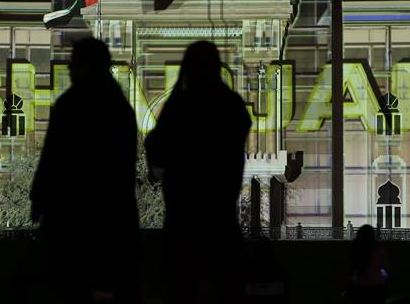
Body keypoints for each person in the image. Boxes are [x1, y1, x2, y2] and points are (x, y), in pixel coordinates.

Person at [30, 37, 140, 303]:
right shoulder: (121, 108)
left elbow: (53, 158)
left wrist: (39, 198)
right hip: (113, 215)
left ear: (86, 65)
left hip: (72, 218)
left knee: (72, 286)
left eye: (74, 62)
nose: (69, 68)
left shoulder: (71, 105)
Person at [145, 40, 252, 304]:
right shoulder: (231, 105)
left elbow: (156, 148)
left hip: (184, 222)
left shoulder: (181, 106)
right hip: (221, 221)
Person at [346, 225, 390, 304]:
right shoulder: (379, 249)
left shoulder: (354, 248)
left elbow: (350, 268)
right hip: (376, 287)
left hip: (359, 286)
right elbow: (385, 268)